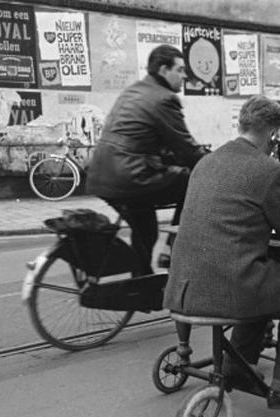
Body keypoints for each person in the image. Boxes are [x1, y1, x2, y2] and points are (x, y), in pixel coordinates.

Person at [163, 95, 280, 409]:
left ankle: (237, 366)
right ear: (273, 134)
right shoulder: (269, 171)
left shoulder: (205, 162)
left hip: (185, 284)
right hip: (228, 286)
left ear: (241, 124)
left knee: (262, 279)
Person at [86, 44, 208, 273]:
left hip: (101, 175)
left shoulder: (133, 90)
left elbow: (145, 138)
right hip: (130, 176)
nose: (184, 76)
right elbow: (185, 147)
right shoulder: (164, 98)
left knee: (145, 228)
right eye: (180, 70)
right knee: (194, 182)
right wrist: (214, 166)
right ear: (164, 70)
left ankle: (141, 282)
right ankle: (173, 251)